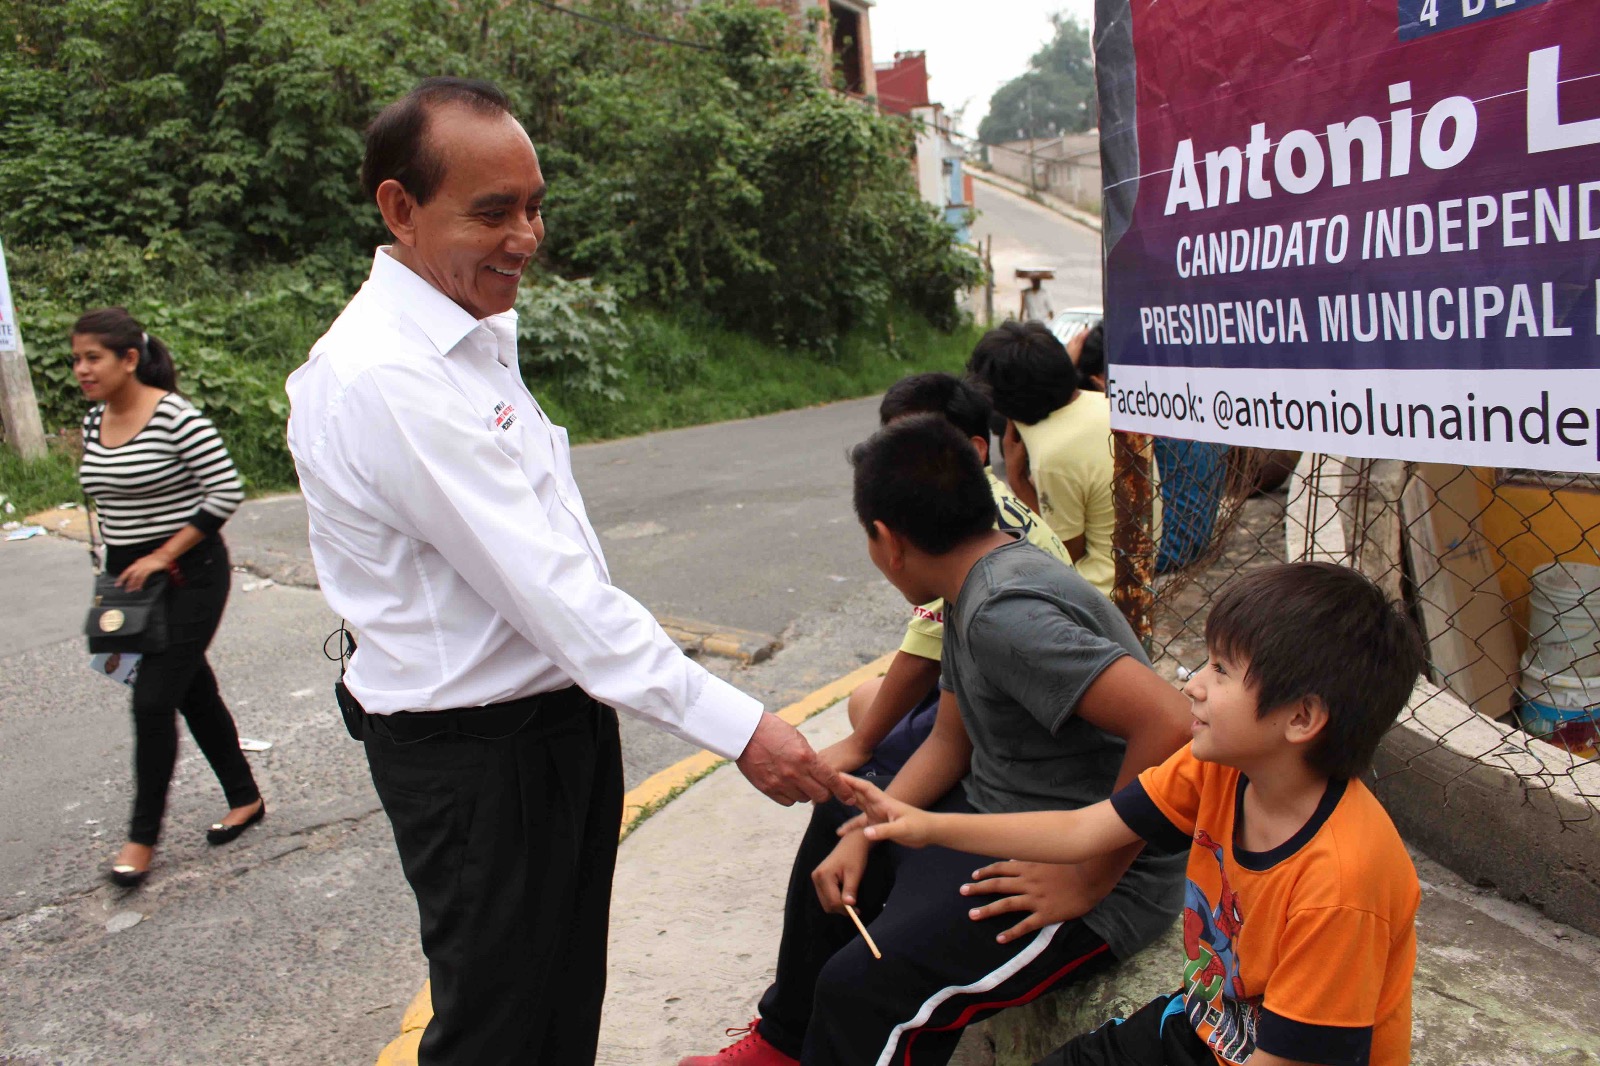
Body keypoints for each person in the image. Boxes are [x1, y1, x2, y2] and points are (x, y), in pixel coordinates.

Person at [284, 78, 843, 1065]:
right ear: (399, 208)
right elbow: (561, 601)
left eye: (536, 206)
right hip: (477, 758)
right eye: (492, 212)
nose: (525, 238)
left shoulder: (467, 333)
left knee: (556, 1008)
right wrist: (740, 727)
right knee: (498, 1029)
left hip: (553, 729)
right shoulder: (388, 376)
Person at [681, 415, 1192, 1066]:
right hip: (1000, 811)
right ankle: (783, 1044)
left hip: (1090, 872)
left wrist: (1089, 880)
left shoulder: (1009, 614)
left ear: (889, 542)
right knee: (843, 810)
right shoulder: (970, 581)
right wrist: (866, 835)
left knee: (863, 991)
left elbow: (1169, 723)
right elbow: (952, 741)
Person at [850, 561, 1426, 1066]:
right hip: (1204, 1024)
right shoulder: (1222, 770)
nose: (1192, 683)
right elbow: (1086, 829)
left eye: (1221, 671)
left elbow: (1291, 1059)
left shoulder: (1341, 883)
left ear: (1301, 718)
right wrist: (925, 826)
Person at [72, 307, 264, 888]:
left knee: (153, 700)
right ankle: (245, 797)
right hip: (130, 579)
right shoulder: (92, 421)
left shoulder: (175, 416)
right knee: (192, 689)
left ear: (130, 359)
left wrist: (162, 554)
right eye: (76, 359)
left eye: (93, 358)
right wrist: (121, 564)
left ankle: (141, 838)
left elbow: (227, 487)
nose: (82, 369)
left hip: (190, 574)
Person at [820, 372, 1073, 776]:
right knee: (863, 701)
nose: (895, 457)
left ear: (971, 449)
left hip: (1024, 726)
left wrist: (859, 744)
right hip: (1001, 692)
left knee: (865, 762)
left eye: (918, 441)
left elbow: (922, 659)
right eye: (893, 442)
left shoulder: (968, 536)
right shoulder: (985, 504)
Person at [968, 321, 1163, 598]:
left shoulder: (1053, 454)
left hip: (1100, 593)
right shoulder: (1105, 403)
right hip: (1137, 569)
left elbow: (1062, 551)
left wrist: (1017, 479)